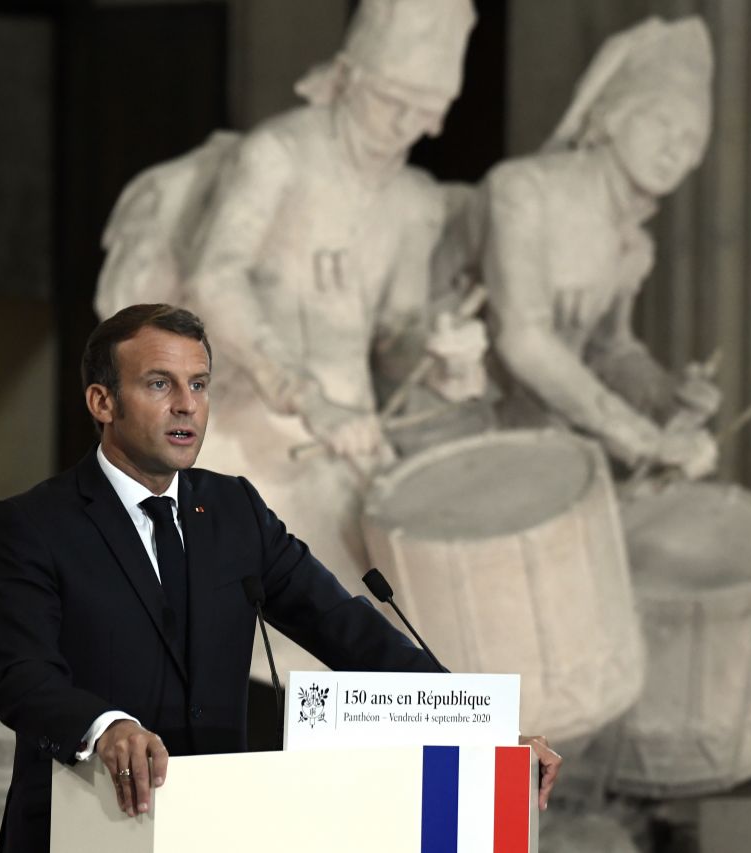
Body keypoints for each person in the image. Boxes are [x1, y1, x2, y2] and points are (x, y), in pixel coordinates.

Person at [0, 304, 559, 852]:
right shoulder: (31, 526)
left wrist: (484, 731)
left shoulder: (235, 510)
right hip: (84, 828)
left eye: (198, 385)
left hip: (218, 827)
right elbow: (20, 675)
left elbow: (347, 630)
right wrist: (105, 728)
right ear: (102, 402)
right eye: (159, 384)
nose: (186, 405)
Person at [95, 0, 488, 681]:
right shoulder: (278, 155)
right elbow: (215, 279)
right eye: (393, 101)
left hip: (350, 443)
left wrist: (441, 355)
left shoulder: (414, 201)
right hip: (251, 423)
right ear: (351, 76)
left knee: (391, 625)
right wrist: (301, 392)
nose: (406, 125)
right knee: (246, 627)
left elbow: (395, 337)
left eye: (425, 109)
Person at [477, 17, 720, 479]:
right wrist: (637, 435)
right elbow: (523, 337)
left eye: (690, 140)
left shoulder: (634, 247)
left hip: (548, 444)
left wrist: (665, 396)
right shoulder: (523, 190)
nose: (673, 149)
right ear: (613, 115)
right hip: (467, 431)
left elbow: (608, 350)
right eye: (661, 121)